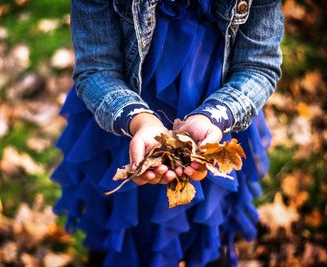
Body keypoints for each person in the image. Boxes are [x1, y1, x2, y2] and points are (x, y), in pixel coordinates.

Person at [51, 0, 284, 266]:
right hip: (123, 122)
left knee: (208, 239)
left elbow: (259, 65)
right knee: (120, 235)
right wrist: (140, 121)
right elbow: (97, 69)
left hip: (217, 121)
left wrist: (213, 117)